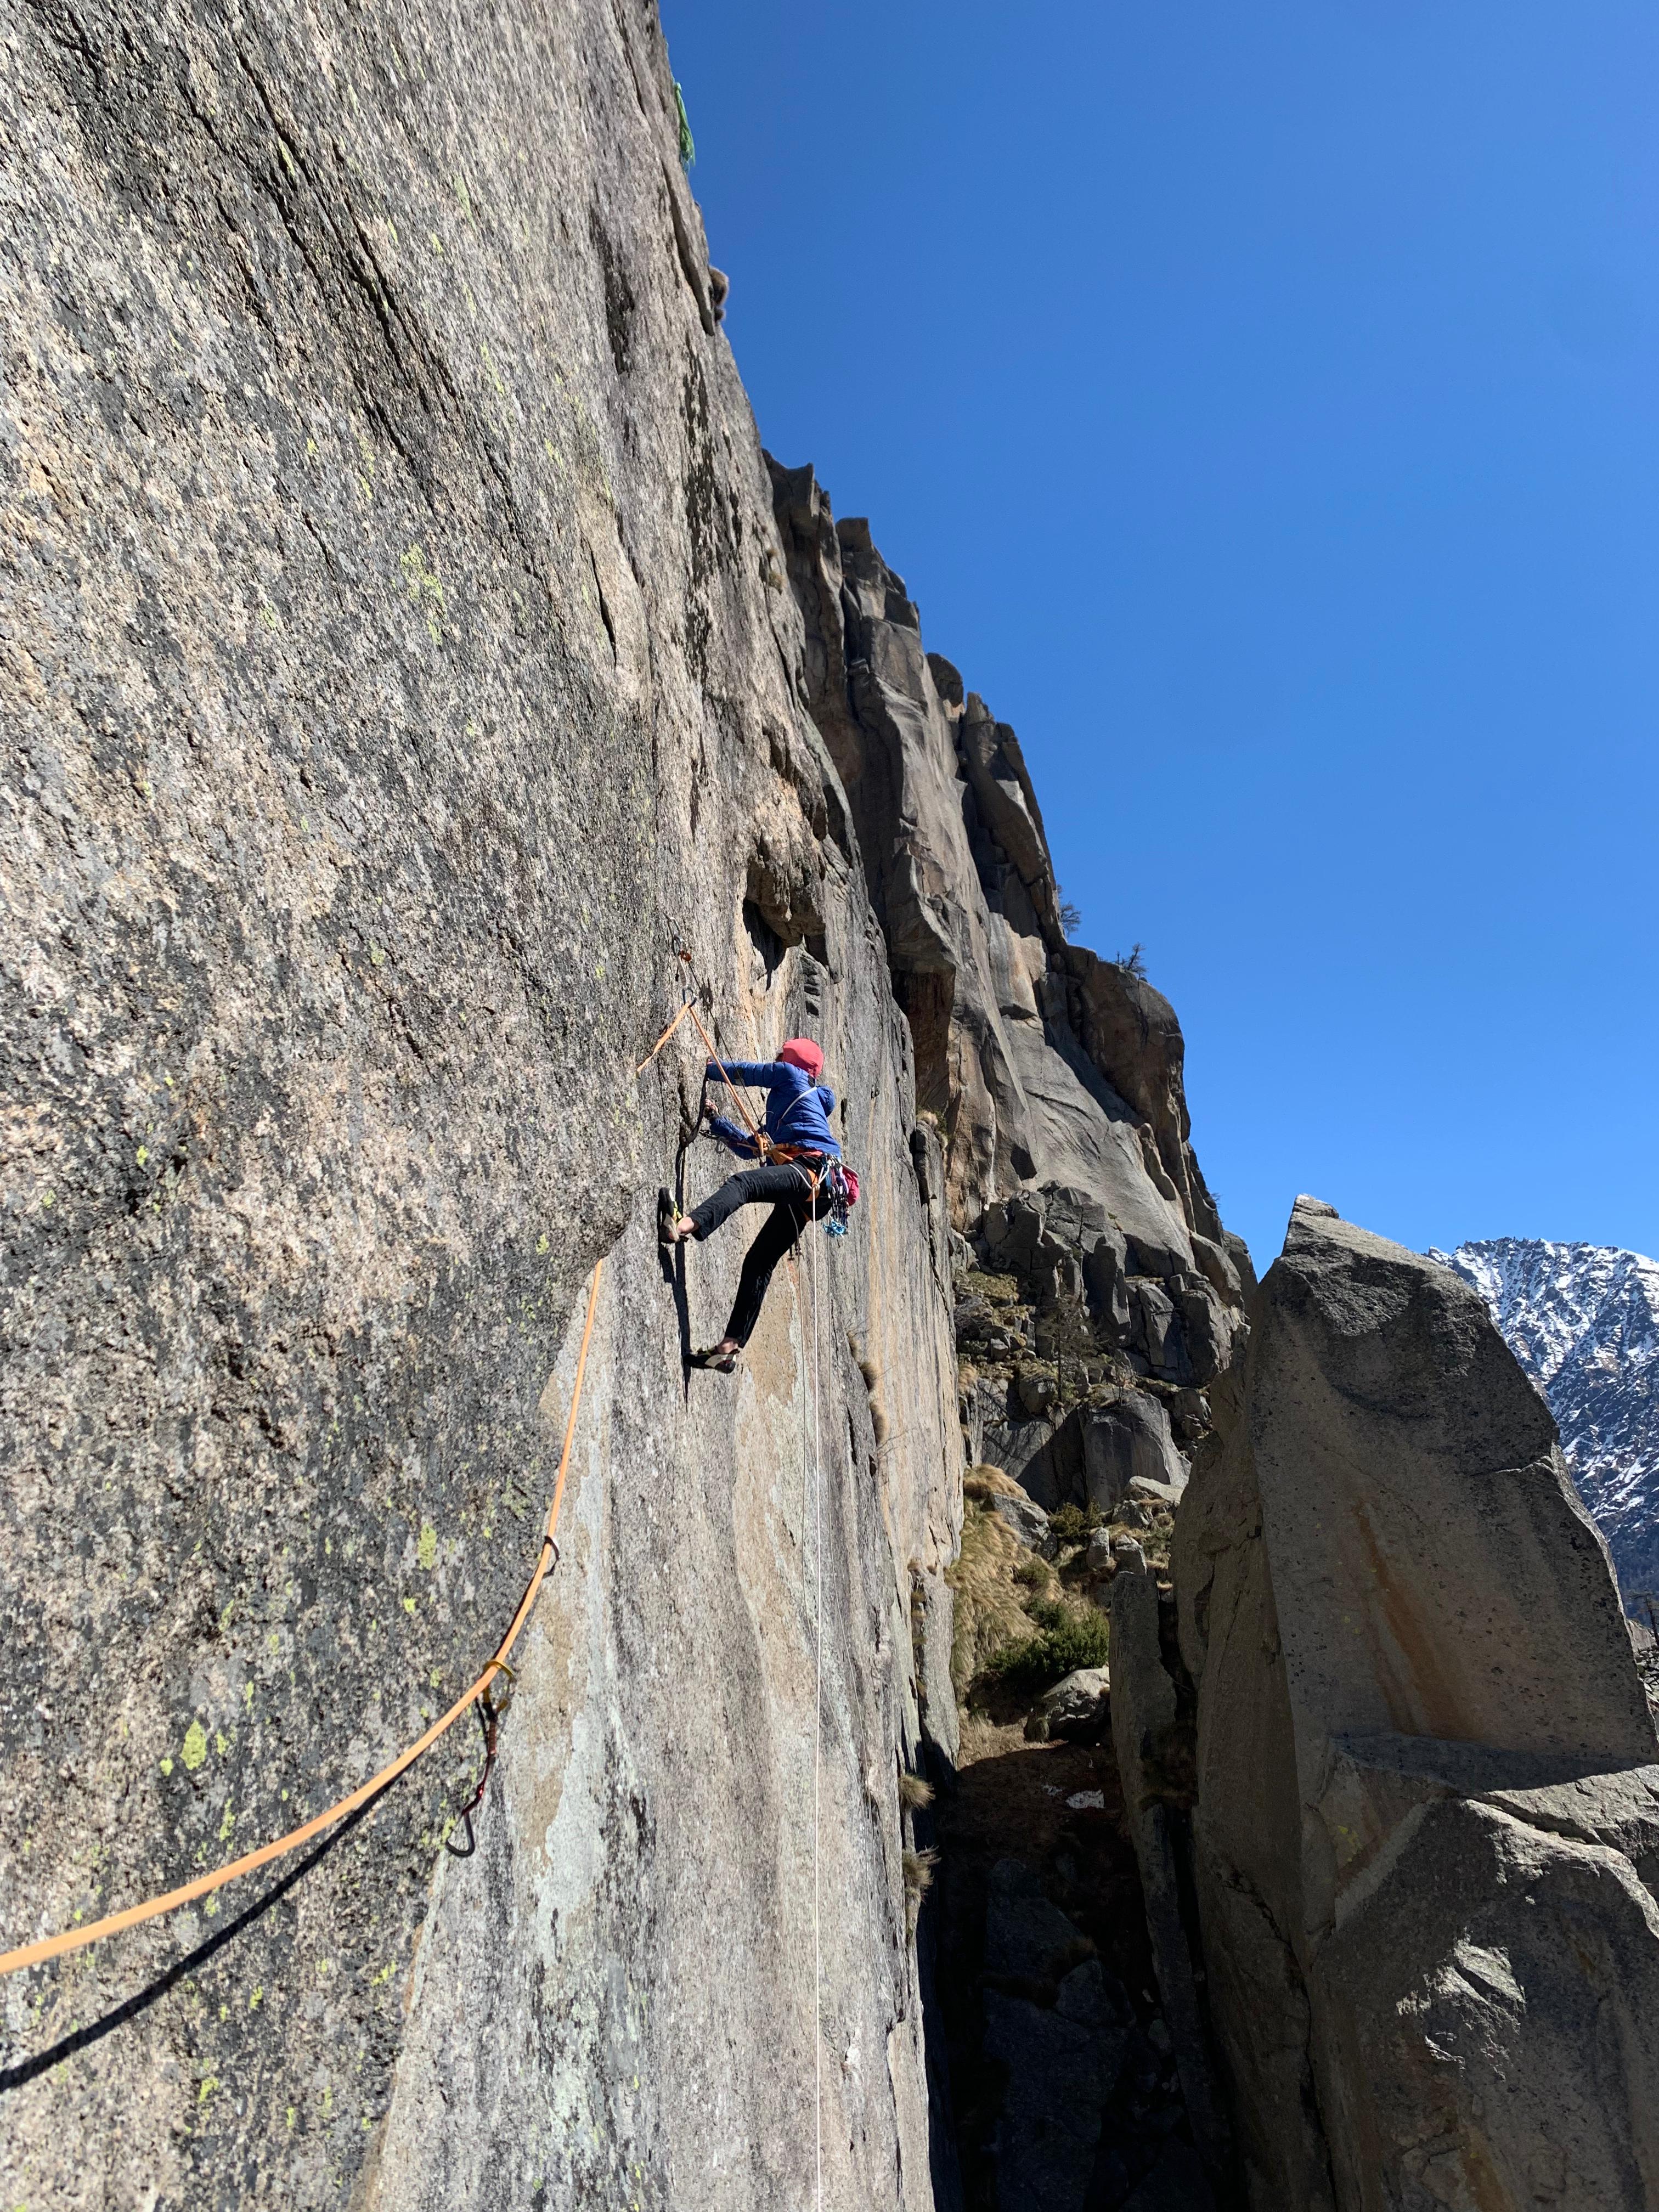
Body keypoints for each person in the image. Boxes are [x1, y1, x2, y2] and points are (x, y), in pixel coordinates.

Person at [660, 1036, 840, 1372]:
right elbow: (749, 1148)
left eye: (782, 1055)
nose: (777, 1058)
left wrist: (706, 1069)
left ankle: (682, 1225)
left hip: (810, 1172)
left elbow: (745, 1073)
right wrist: (716, 1120)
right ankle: (727, 1349)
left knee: (742, 1185)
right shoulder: (794, 1111)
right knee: (759, 1262)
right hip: (815, 1192)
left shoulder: (790, 1076)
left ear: (791, 1059)